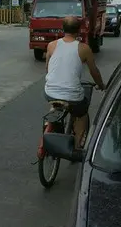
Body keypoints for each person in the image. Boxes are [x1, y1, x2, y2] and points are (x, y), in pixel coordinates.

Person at [45, 16, 105, 149]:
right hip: (72, 95)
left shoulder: (51, 45)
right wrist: (101, 85)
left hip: (49, 91)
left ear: (62, 29)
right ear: (79, 30)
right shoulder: (84, 48)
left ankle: (52, 122)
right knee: (81, 114)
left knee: (54, 100)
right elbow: (94, 71)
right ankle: (78, 146)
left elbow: (47, 68)